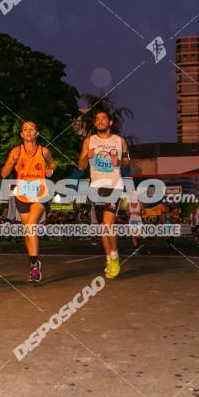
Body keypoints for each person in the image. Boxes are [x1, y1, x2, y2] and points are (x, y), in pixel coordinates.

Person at [1, 120, 56, 282]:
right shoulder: (15, 151)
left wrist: (50, 169)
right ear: (21, 134)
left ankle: (34, 266)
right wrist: (12, 160)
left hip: (40, 196)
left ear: (36, 133)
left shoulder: (44, 151)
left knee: (31, 227)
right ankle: (35, 263)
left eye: (32, 129)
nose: (29, 132)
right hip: (22, 196)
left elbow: (53, 163)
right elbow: (4, 174)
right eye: (26, 129)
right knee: (28, 232)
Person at [78, 110, 130, 279]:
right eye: (97, 119)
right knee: (102, 227)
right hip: (96, 187)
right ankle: (109, 259)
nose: (100, 121)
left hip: (114, 186)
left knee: (108, 223)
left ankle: (114, 257)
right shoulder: (89, 141)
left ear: (110, 122)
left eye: (103, 119)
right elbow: (80, 165)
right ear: (95, 124)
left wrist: (119, 162)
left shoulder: (119, 141)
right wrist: (87, 156)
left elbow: (128, 161)